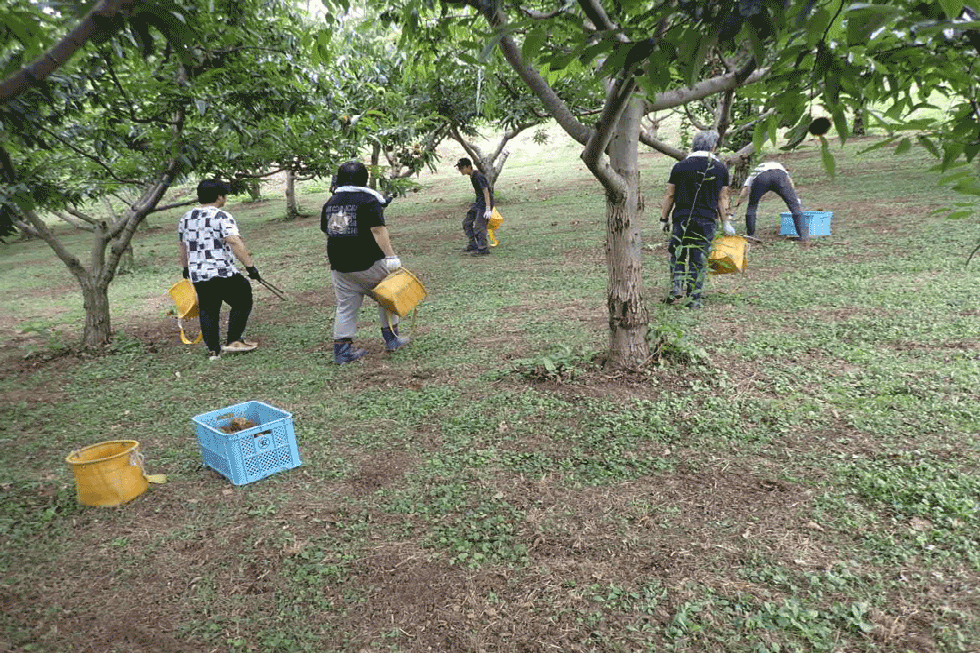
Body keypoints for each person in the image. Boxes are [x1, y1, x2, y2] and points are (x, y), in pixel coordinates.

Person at [321, 161, 409, 364]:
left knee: (345, 307)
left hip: (339, 266)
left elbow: (330, 232)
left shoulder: (331, 202)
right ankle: (392, 339)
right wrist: (391, 256)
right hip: (367, 262)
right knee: (389, 295)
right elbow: (377, 230)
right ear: (364, 178)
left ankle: (342, 351)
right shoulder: (368, 200)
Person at [178, 179, 261, 361]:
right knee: (243, 297)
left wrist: (186, 267)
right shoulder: (221, 216)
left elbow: (183, 245)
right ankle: (234, 340)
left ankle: (213, 350)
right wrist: (250, 266)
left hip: (198, 273)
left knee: (208, 308)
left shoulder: (186, 217)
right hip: (220, 270)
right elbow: (233, 241)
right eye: (225, 195)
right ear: (219, 197)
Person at [659, 130, 731, 309]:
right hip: (706, 220)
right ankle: (695, 298)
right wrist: (726, 222)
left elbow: (670, 195)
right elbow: (723, 198)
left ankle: (676, 287)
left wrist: (663, 218)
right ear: (713, 147)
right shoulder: (720, 168)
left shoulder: (680, 166)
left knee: (678, 254)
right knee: (698, 258)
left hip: (682, 219)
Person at [732, 158, 807, 242]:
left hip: (761, 178)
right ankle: (802, 236)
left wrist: (734, 208)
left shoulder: (756, 170)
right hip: (780, 176)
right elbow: (790, 183)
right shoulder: (779, 166)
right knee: (794, 207)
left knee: (752, 205)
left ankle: (751, 234)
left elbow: (744, 190)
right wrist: (795, 199)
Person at [455, 157, 494, 256]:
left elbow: (486, 192)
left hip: (484, 204)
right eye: (459, 168)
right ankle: (473, 245)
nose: (460, 170)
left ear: (469, 166)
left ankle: (483, 249)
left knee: (479, 226)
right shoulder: (472, 176)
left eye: (462, 168)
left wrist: (488, 209)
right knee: (467, 223)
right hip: (478, 203)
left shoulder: (478, 176)